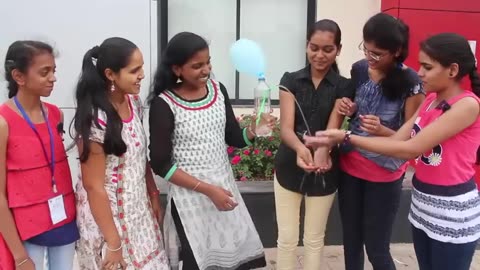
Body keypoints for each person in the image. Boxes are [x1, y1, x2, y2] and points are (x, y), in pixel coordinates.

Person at [305, 32, 480, 270]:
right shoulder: (430, 101)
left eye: (428, 67)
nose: (420, 73)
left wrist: (346, 136)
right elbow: (398, 140)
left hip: (451, 209)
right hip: (424, 203)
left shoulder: (467, 106)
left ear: (452, 70)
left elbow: (409, 149)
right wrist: (337, 136)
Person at [148, 32, 269, 270]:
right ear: (177, 69)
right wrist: (208, 190)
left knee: (231, 261)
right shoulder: (164, 104)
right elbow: (160, 164)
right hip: (190, 201)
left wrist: (253, 131)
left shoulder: (218, 90)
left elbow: (232, 136)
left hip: (225, 194)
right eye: (197, 66)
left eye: (208, 62)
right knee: (198, 262)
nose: (206, 70)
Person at [334, 13, 425, 270]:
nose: (369, 58)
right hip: (351, 164)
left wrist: (383, 130)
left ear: (396, 52)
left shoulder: (412, 83)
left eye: (377, 54)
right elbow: (358, 109)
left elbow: (412, 135)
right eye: (366, 49)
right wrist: (350, 108)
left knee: (376, 248)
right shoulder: (360, 69)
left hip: (384, 172)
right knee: (351, 243)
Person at [73, 37, 169, 270]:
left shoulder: (133, 102)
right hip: (108, 222)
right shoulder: (96, 119)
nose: (142, 75)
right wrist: (114, 243)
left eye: (142, 67)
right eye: (134, 70)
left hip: (138, 213)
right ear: (110, 74)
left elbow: (138, 155)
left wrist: (153, 193)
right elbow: (93, 186)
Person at [273, 19, 353, 270]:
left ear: (338, 49)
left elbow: (332, 129)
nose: (319, 55)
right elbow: (285, 127)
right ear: (307, 46)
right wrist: (299, 150)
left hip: (324, 168)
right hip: (288, 165)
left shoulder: (344, 85)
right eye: (314, 47)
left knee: (314, 240)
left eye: (327, 49)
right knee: (286, 240)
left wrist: (321, 153)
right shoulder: (291, 80)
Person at [0, 41, 78, 270]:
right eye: (45, 72)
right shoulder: (4, 123)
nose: (53, 78)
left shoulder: (55, 115)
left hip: (62, 217)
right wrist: (19, 255)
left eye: (54, 71)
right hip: (26, 227)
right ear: (19, 76)